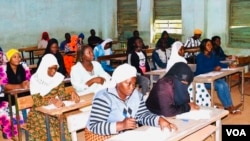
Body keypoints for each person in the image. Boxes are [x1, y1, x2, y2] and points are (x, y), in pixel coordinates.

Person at [85, 63, 177, 141]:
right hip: (100, 136)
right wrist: (121, 125)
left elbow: (142, 115)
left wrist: (158, 120)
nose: (132, 87)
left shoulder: (135, 95)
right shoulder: (104, 97)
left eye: (134, 83)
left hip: (123, 135)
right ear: (118, 82)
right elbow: (94, 126)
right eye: (128, 83)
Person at [26, 54, 80, 140]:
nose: (53, 71)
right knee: (49, 130)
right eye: (50, 68)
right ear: (44, 67)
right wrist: (52, 101)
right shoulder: (35, 79)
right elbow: (37, 101)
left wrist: (72, 94)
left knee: (64, 127)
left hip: (54, 110)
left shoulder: (58, 78)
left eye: (55, 68)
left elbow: (62, 95)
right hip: (39, 112)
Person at [195, 39, 240, 114]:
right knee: (220, 86)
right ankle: (227, 106)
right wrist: (213, 68)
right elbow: (201, 69)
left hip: (212, 77)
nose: (210, 46)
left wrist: (229, 66)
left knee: (224, 84)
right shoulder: (200, 56)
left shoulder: (212, 55)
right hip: (202, 80)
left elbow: (219, 64)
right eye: (208, 45)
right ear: (203, 46)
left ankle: (230, 105)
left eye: (211, 45)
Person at [166, 41, 211, 107]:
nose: (183, 51)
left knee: (199, 84)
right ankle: (201, 104)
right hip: (177, 83)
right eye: (182, 49)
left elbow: (185, 73)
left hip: (183, 80)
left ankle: (205, 104)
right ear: (177, 50)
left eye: (183, 49)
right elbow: (179, 75)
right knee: (197, 85)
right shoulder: (174, 60)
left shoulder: (181, 59)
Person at [0, 49, 31, 139]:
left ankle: (21, 127)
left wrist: (27, 84)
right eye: (15, 57)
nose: (18, 59)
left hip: (22, 94)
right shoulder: (3, 68)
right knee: (3, 109)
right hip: (7, 97)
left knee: (30, 105)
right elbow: (4, 86)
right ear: (9, 59)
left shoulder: (24, 66)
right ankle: (8, 131)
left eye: (19, 56)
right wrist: (20, 85)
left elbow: (29, 80)